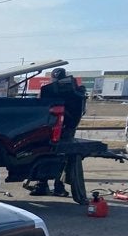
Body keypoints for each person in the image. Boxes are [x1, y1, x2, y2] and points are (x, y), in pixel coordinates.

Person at [32, 67, 87, 196]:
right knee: (54, 156)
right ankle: (49, 185)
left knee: (59, 156)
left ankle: (54, 185)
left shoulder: (57, 90)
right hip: (59, 127)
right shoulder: (73, 91)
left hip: (61, 127)